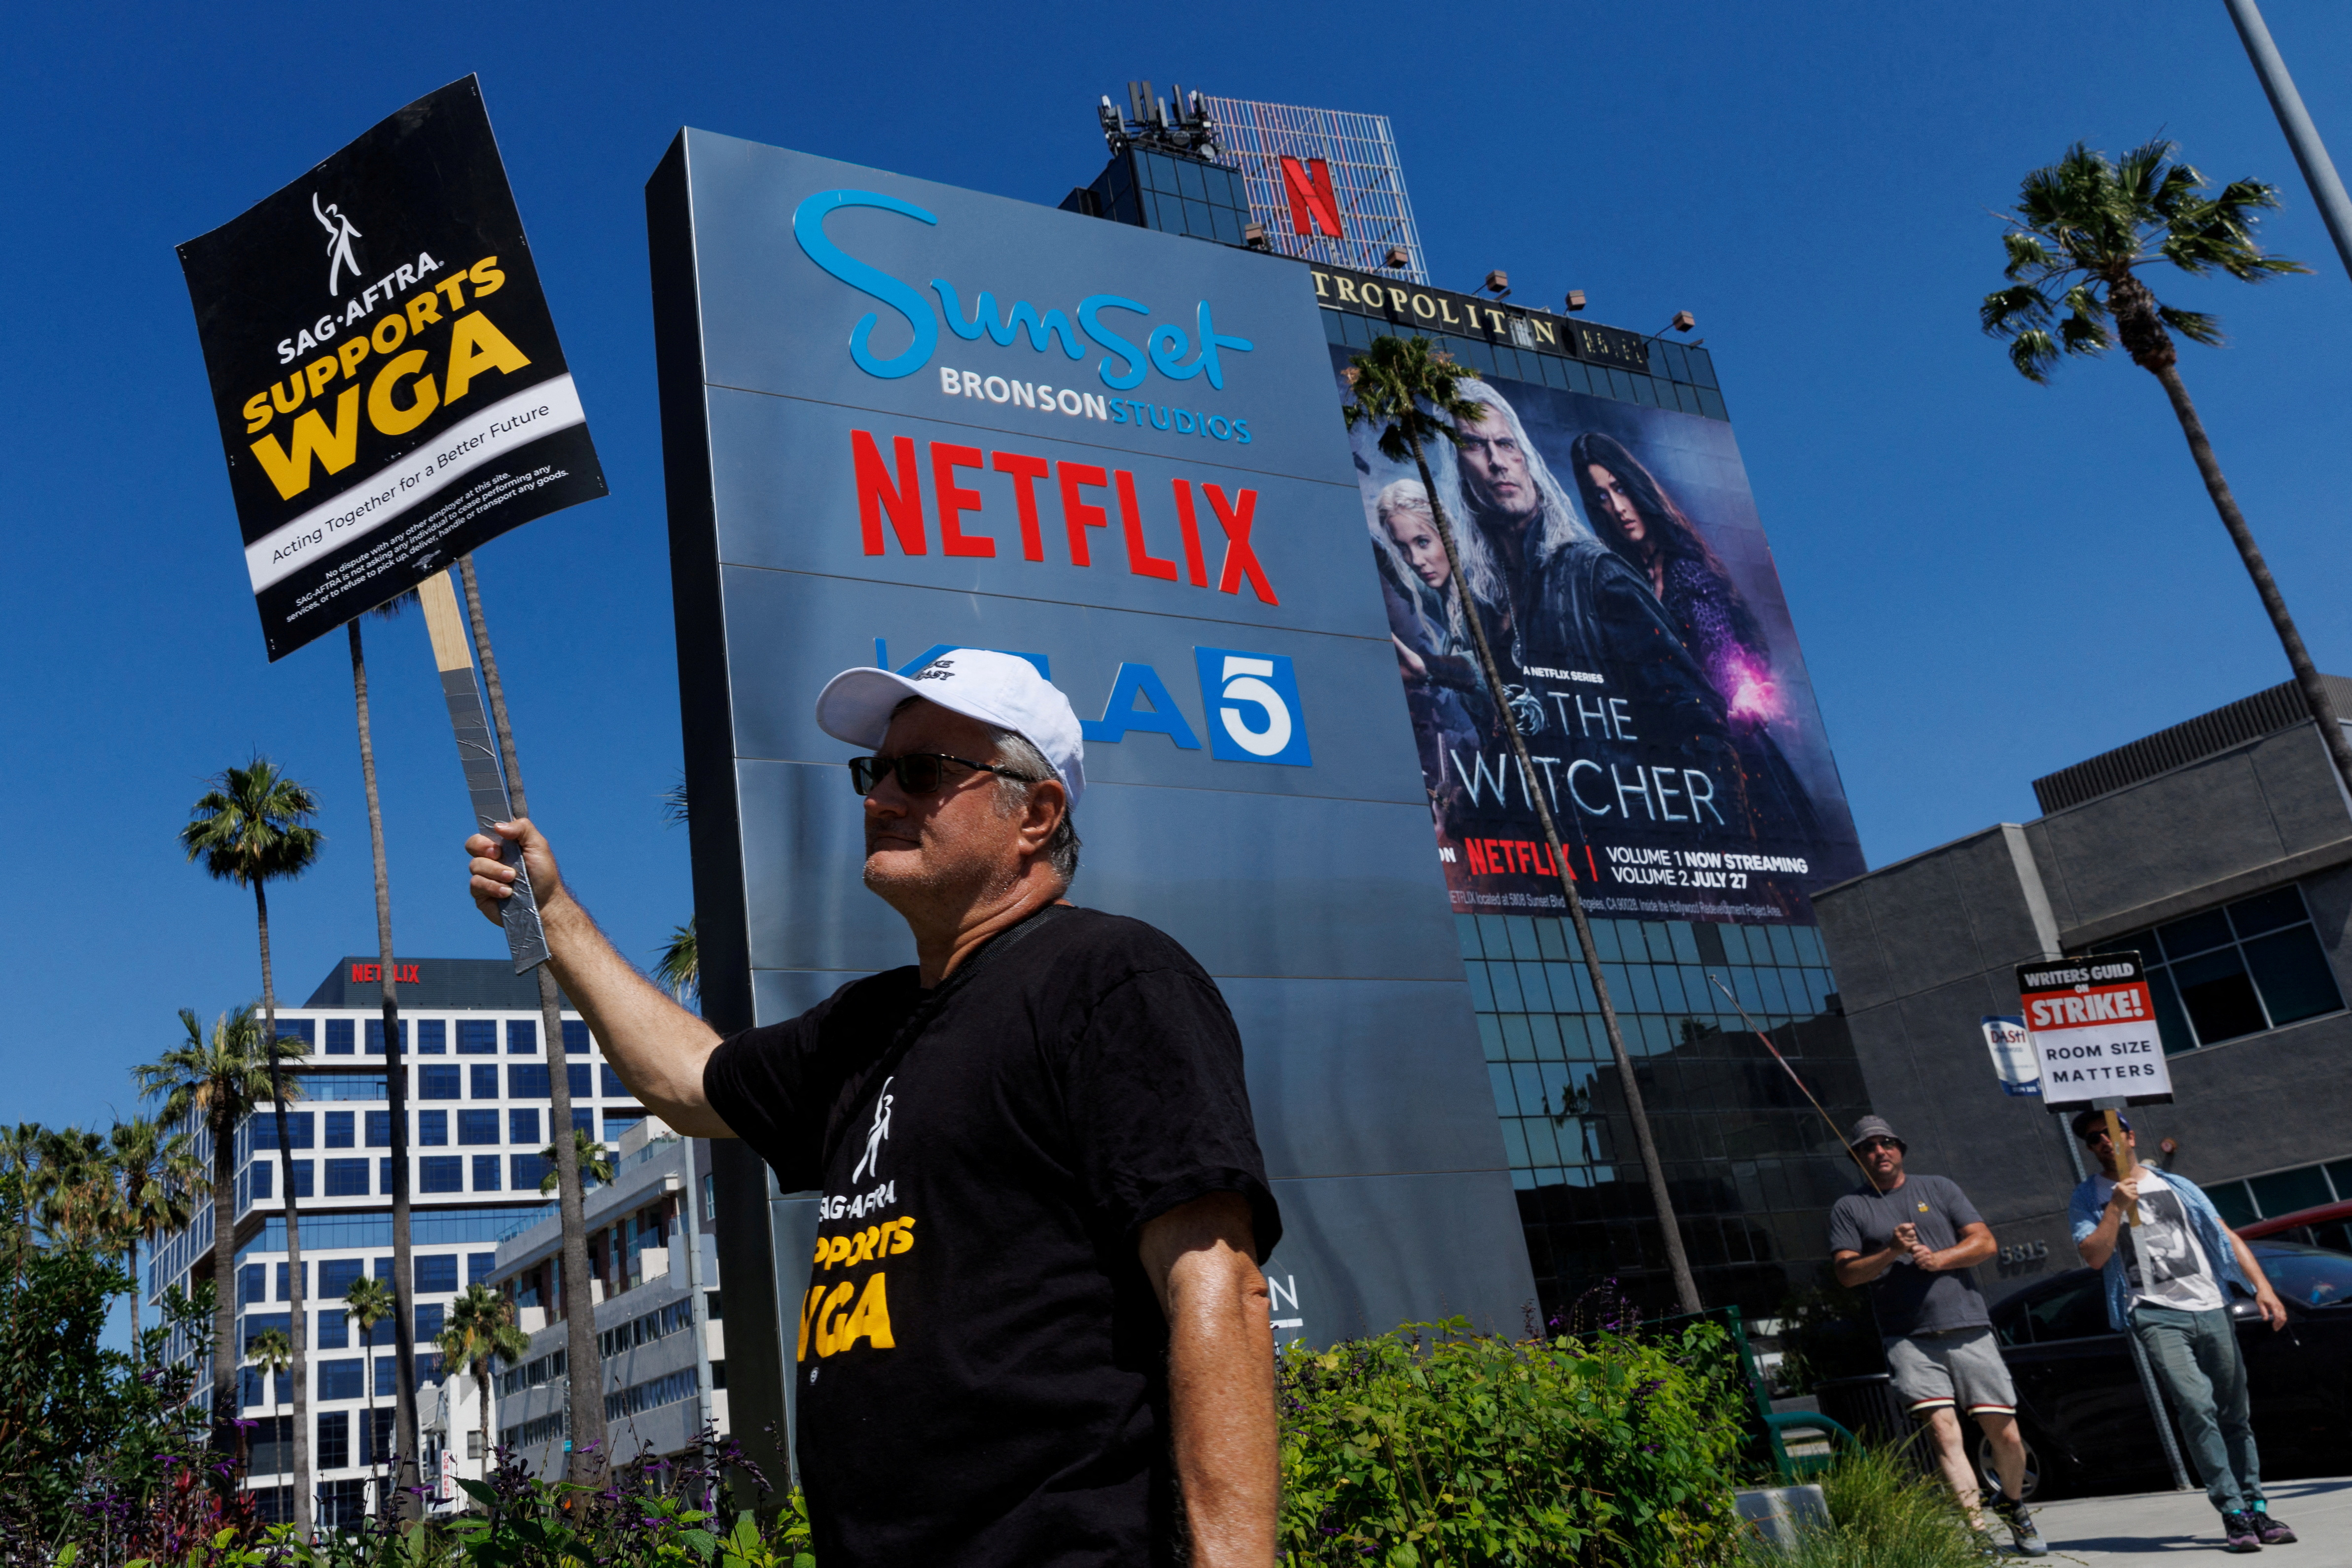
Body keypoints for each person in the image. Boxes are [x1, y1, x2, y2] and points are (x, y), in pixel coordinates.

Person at [462, 649, 1281, 1568]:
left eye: (923, 771)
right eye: (876, 769)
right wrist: (558, 912)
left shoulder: (1113, 980)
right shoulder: (867, 1025)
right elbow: (688, 1083)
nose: (879, 796)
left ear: (1038, 814)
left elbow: (1219, 1288)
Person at [1443, 381, 1732, 767]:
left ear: (1526, 458)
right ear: (1458, 468)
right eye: (1475, 445)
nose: (1497, 460)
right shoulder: (1477, 607)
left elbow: (1701, 722)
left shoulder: (1597, 575)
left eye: (1506, 443)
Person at [2069, 1111, 2295, 1552]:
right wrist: (2115, 1205)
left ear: (2130, 1136)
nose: (2101, 1142)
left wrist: (2262, 1287)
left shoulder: (2179, 1185)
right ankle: (2232, 1510)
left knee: (2234, 1411)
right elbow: (2094, 1256)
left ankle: (2257, 1506)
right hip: (2153, 1312)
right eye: (2092, 1138)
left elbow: (2224, 1235)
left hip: (2212, 1305)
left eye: (2108, 1133)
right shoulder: (2088, 1196)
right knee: (2196, 1405)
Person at [1827, 1115, 2044, 1556]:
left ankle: (2015, 1505)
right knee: (1945, 1434)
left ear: (1900, 1148)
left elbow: (1985, 1243)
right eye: (1867, 1147)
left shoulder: (1939, 1188)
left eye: (1886, 1143)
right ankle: (1977, 1531)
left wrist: (1939, 1259)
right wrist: (1891, 1251)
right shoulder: (1850, 1208)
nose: (1879, 1152)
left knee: (2006, 1435)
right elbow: (1846, 1274)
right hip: (1909, 1338)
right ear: (1856, 1158)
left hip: (1969, 1328)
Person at [1568, 431, 1773, 723]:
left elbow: (1720, 647)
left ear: (1637, 487)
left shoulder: (1686, 570)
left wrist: (1741, 692)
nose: (1618, 507)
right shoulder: (1621, 579)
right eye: (1603, 496)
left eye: (1620, 488)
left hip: (1727, 733)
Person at [1370, 479, 1499, 829]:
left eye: (1423, 542)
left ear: (1450, 532)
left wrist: (1428, 666)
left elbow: (1494, 671)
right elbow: (1403, 581)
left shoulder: (1485, 587)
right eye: (1404, 548)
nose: (1416, 560)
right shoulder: (1447, 592)